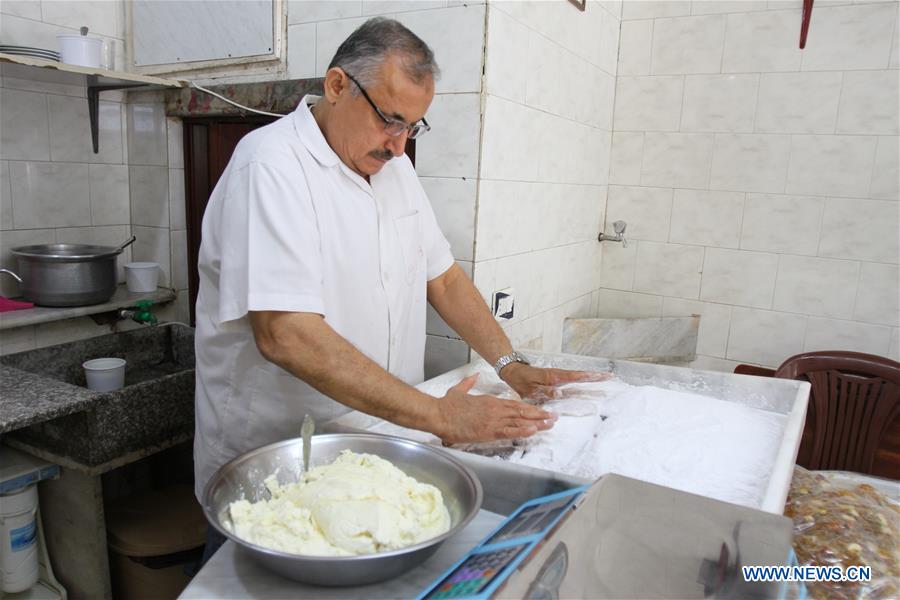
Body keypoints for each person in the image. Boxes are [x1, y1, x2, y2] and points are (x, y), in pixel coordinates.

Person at [194, 17, 601, 561]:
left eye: (413, 126)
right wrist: (439, 416)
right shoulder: (269, 167)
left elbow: (444, 277)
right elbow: (285, 334)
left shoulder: (393, 170)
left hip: (379, 448)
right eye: (390, 120)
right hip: (282, 464)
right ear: (337, 86)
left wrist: (511, 364)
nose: (400, 144)